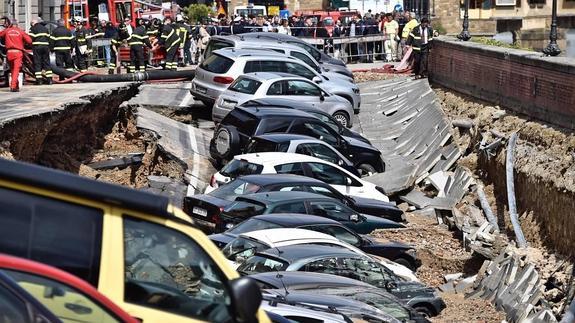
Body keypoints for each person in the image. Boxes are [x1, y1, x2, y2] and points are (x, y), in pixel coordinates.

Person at [0, 17, 32, 91]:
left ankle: (16, 85)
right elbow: (29, 41)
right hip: (18, 52)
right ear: (17, 25)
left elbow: (1, 35)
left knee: (12, 70)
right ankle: (13, 86)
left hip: (9, 52)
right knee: (16, 70)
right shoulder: (20, 31)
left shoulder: (7, 30)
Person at [29, 17, 52, 84]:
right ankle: (49, 79)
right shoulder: (45, 28)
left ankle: (39, 80)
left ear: (33, 23)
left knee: (37, 62)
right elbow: (49, 38)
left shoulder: (33, 28)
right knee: (47, 62)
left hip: (37, 47)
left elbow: (30, 39)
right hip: (45, 47)